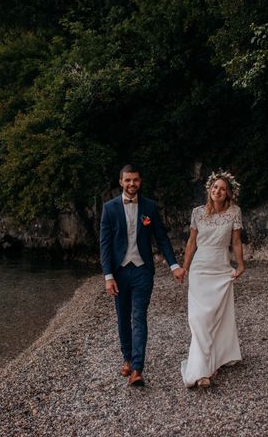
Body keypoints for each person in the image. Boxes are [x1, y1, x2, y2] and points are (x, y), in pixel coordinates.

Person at [100, 164, 186, 387]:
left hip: (142, 271)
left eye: (135, 180)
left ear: (140, 181)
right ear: (121, 182)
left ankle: (137, 368)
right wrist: (108, 276)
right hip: (119, 272)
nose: (131, 184)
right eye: (127, 180)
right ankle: (127, 357)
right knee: (123, 316)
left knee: (139, 317)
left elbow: (161, 237)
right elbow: (105, 245)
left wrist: (174, 265)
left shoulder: (149, 207)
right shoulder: (109, 208)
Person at [180, 170, 245, 388]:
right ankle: (202, 370)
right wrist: (184, 268)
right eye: (215, 187)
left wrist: (241, 264)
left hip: (221, 267)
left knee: (217, 316)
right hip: (199, 269)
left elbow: (236, 242)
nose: (218, 191)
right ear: (210, 189)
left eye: (222, 189)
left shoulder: (235, 212)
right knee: (199, 318)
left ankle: (215, 360)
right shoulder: (197, 213)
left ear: (228, 194)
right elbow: (191, 242)